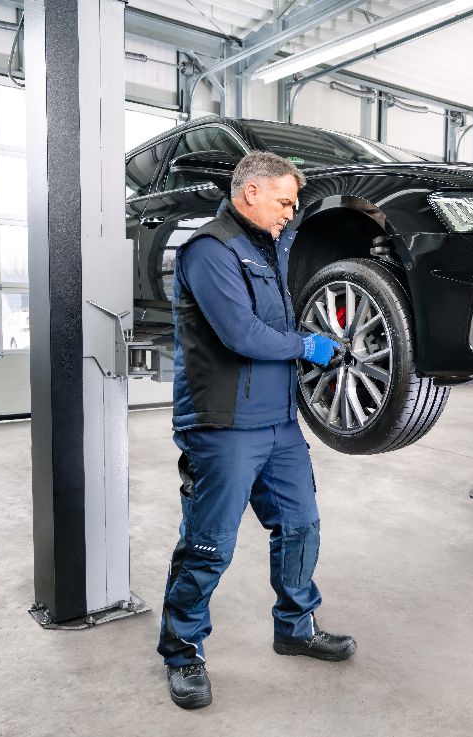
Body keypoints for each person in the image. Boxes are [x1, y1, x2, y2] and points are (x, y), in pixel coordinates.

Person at [158, 150, 354, 710]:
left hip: (278, 422)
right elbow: (241, 333)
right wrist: (305, 346)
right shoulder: (209, 250)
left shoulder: (272, 247)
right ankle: (182, 652)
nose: (290, 213)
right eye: (285, 201)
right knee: (209, 545)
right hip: (223, 425)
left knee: (300, 527)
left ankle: (295, 627)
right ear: (251, 192)